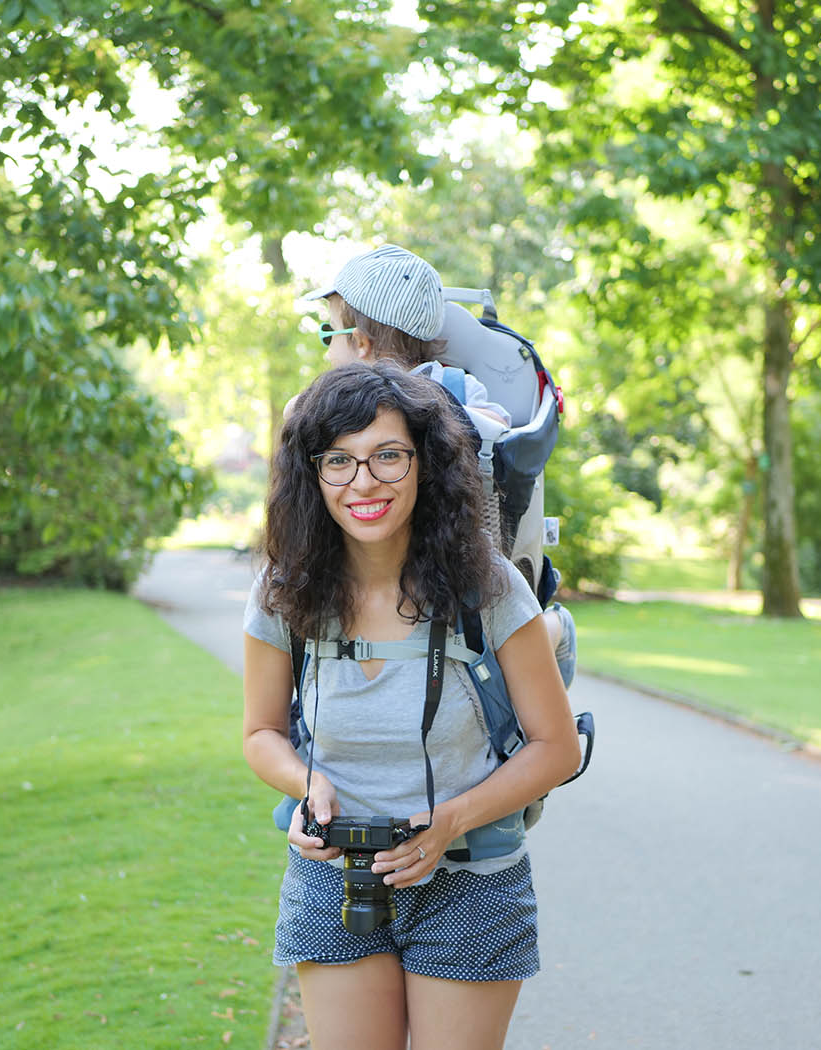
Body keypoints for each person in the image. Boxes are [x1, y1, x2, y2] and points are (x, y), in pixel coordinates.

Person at [242, 362, 582, 1050]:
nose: (362, 482)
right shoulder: (286, 591)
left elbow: (557, 747)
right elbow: (260, 733)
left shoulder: (486, 587)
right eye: (338, 460)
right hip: (334, 877)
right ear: (313, 474)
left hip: (469, 881)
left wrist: (448, 820)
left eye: (387, 456)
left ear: (426, 464)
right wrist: (307, 784)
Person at [301, 243, 577, 686]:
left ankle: (559, 628)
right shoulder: (446, 391)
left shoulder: (448, 389)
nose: (326, 351)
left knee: (497, 650)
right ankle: (551, 626)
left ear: (362, 344)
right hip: (419, 575)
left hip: (456, 568)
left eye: (327, 334)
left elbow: (493, 432)